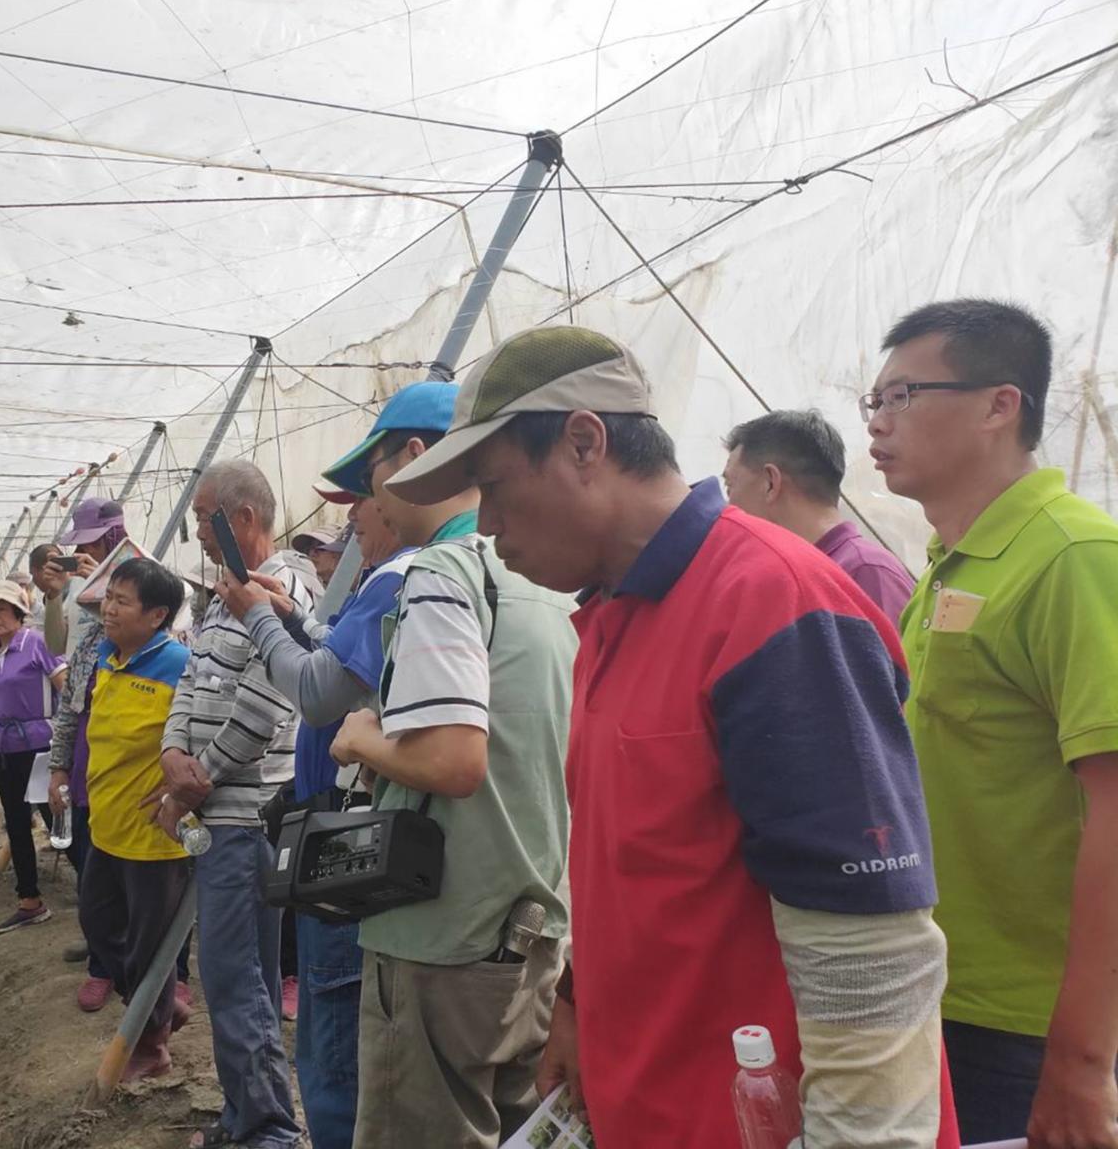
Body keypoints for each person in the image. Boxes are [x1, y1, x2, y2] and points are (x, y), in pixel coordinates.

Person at [384, 324, 959, 1148]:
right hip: (657, 1103)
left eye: (495, 486)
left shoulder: (770, 604)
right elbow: (630, 862)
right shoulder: (612, 617)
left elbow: (870, 951)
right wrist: (578, 1008)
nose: (488, 524)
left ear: (585, 443)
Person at [865, 299, 1118, 1146]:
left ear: (999, 405)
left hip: (1030, 1022)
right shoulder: (947, 564)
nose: (878, 422)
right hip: (941, 992)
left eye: (902, 396)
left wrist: (1083, 1060)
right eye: (874, 402)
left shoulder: (1073, 557)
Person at [306, 382, 577, 1149]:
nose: (366, 506)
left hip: (443, 935)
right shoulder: (544, 580)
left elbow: (451, 758)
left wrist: (359, 739)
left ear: (417, 458)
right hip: (535, 925)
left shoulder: (444, 573)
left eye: (370, 482)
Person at [218, 467, 415, 1149]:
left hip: (345, 824)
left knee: (332, 1020)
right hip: (332, 814)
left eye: (363, 500)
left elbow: (317, 693)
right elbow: (333, 660)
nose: (353, 517)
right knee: (331, 1007)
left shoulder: (397, 581)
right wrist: (293, 619)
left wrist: (257, 621)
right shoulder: (384, 582)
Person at [154, 460, 317, 1149]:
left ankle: (267, 1132)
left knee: (232, 978)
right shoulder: (226, 595)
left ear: (241, 518)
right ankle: (249, 1118)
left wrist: (200, 777)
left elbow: (269, 703)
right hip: (213, 812)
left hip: (244, 817)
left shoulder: (283, 590)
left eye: (203, 517)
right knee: (236, 974)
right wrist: (171, 757)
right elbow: (193, 681)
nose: (197, 531)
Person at [37, 505, 193, 1011]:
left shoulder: (181, 664)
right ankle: (149, 1006)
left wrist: (183, 787)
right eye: (108, 599)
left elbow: (204, 739)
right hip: (104, 819)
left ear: (157, 616)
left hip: (152, 832)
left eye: (121, 602)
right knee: (99, 920)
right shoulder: (104, 654)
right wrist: (61, 767)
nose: (107, 609)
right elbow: (73, 710)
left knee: (153, 938)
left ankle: (151, 1034)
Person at [721, 409, 914, 623]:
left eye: (730, 486)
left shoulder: (865, 571)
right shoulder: (789, 572)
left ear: (770, 483)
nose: (729, 507)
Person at [0, 578, 68, 934]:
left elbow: (65, 688)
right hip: (5, 748)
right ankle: (29, 900)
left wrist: (66, 741)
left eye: (1, 609)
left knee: (56, 819)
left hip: (38, 746)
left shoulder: (36, 643)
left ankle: (97, 893)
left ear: (18, 612)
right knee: (16, 824)